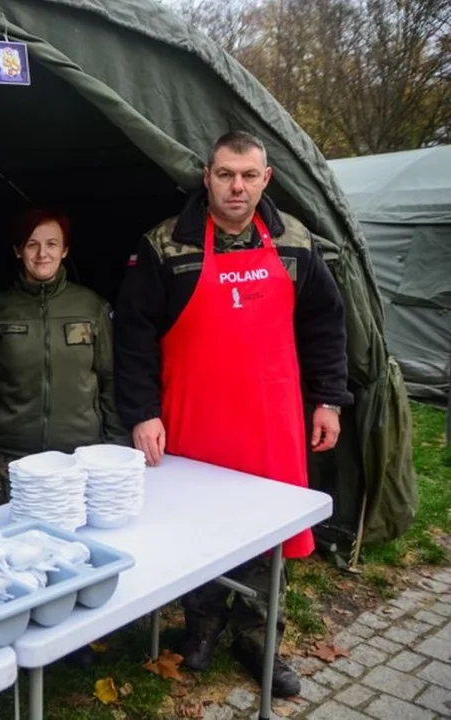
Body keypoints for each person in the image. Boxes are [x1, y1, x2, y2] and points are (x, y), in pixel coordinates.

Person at [113, 131, 352, 696]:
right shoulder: (165, 244)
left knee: (268, 531)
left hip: (273, 422)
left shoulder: (295, 241)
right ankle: (200, 628)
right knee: (199, 529)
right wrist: (143, 412)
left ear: (266, 178)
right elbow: (134, 336)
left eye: (248, 175)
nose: (236, 187)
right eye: (225, 174)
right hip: (194, 419)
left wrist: (329, 399)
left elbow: (325, 325)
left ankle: (259, 638)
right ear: (207, 176)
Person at [0, 209, 128, 506]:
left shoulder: (91, 306)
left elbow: (110, 379)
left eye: (51, 244)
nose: (42, 254)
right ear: (17, 250)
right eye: (32, 244)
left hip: (80, 458)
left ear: (65, 251)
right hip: (13, 461)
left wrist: (116, 446)